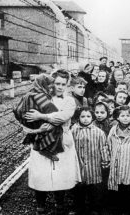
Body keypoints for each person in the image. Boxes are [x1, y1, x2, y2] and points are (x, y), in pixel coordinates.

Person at [24, 70, 81, 215]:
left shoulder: (69, 101)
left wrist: (41, 116)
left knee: (61, 173)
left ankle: (59, 203)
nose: (60, 87)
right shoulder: (43, 99)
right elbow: (29, 119)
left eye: (63, 84)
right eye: (57, 83)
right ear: (52, 84)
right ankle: (40, 205)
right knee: (41, 173)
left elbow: (62, 117)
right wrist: (38, 127)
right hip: (41, 140)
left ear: (67, 85)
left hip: (62, 141)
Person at [13, 74, 63, 161]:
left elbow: (16, 109)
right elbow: (52, 110)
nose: (51, 87)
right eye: (49, 85)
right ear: (43, 85)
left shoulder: (30, 93)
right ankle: (45, 149)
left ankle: (40, 144)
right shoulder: (40, 96)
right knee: (56, 127)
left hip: (27, 120)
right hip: (34, 121)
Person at [71, 107, 109, 215]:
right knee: (79, 190)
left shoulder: (99, 132)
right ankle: (79, 207)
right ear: (78, 117)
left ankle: (95, 208)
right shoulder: (73, 131)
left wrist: (105, 161)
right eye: (82, 116)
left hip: (94, 166)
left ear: (92, 118)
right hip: (79, 165)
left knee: (94, 190)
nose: (85, 119)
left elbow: (103, 147)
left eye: (88, 116)